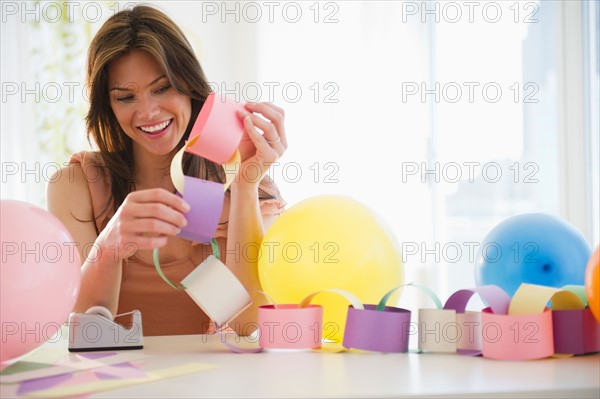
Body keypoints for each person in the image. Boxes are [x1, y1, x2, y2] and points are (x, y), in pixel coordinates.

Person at [47, 5, 287, 336]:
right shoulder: (78, 186)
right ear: (109, 106)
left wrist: (245, 186)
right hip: (119, 385)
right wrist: (110, 246)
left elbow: (247, 325)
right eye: (126, 97)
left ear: (189, 85)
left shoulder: (246, 185)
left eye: (162, 88)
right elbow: (87, 331)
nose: (147, 111)